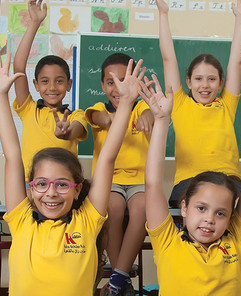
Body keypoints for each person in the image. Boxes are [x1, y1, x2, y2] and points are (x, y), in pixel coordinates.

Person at [0, 50, 146, 294]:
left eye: (61, 185)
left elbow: (107, 158)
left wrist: (126, 104)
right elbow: (13, 157)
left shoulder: (87, 221)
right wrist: (0, 96)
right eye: (42, 184)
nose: (51, 193)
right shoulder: (22, 221)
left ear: (77, 189)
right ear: (30, 187)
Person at [142, 70, 241, 294]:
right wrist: (162, 120)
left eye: (221, 213)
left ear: (231, 216)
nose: (209, 219)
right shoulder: (167, 242)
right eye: (201, 208)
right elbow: (152, 184)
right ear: (184, 207)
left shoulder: (236, 240)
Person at [156, 0, 241, 207]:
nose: (205, 85)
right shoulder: (180, 103)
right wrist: (163, 15)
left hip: (228, 180)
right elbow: (168, 58)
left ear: (220, 83)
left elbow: (236, 61)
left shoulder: (226, 105)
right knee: (196, 212)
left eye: (212, 79)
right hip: (189, 180)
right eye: (198, 79)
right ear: (188, 81)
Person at [85, 52, 153, 296]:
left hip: (139, 182)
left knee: (142, 209)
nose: (117, 87)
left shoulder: (143, 106)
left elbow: (149, 114)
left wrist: (146, 117)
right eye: (111, 81)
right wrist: (114, 116)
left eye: (124, 80)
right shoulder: (97, 109)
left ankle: (116, 279)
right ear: (103, 85)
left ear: (136, 82)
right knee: (112, 209)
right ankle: (120, 278)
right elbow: (100, 118)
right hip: (110, 182)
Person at [13, 0, 87, 181]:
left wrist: (67, 132)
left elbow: (75, 129)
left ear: (69, 84)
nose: (52, 87)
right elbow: (18, 67)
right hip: (32, 186)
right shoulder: (29, 109)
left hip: (65, 187)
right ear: (36, 85)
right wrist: (34, 23)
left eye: (59, 81)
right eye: (45, 81)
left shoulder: (75, 115)